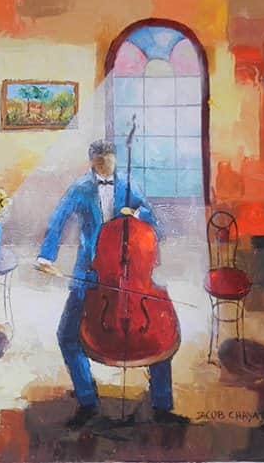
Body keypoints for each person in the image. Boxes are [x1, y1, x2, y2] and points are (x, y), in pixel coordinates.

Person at [35, 139, 189, 429]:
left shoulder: (128, 184)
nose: (105, 165)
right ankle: (87, 401)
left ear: (116, 160)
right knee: (68, 336)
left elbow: (153, 221)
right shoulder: (80, 188)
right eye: (100, 161)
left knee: (158, 335)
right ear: (92, 161)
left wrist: (137, 215)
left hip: (132, 273)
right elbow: (58, 220)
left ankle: (162, 404)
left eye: (109, 160)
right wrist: (46, 256)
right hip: (92, 272)